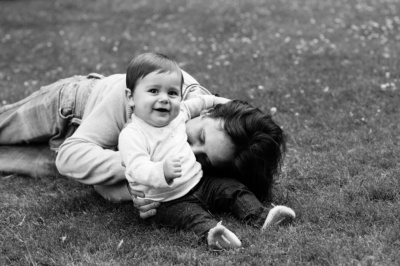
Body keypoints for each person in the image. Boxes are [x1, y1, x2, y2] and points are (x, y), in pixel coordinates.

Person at [0, 52, 294, 249]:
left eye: (203, 157)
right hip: (70, 107)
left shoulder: (198, 157)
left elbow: (112, 184)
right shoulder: (169, 96)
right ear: (209, 109)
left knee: (36, 165)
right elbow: (71, 155)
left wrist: (143, 190)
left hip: (91, 150)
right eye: (200, 135)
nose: (192, 150)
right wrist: (144, 169)